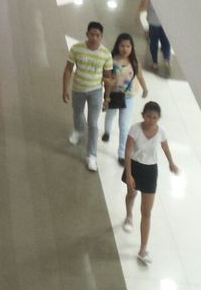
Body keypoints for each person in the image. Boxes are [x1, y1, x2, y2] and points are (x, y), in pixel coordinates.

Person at [122, 101, 179, 265]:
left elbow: (165, 148)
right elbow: (128, 151)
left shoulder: (161, 132)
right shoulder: (135, 129)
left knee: (146, 212)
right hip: (134, 166)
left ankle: (143, 249)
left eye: (155, 118)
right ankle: (129, 215)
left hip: (150, 171)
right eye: (148, 117)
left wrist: (171, 163)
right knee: (131, 194)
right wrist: (129, 175)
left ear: (159, 118)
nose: (151, 120)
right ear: (143, 115)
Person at [63, 21, 114, 171]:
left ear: (101, 37)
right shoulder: (76, 49)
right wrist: (64, 88)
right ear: (87, 34)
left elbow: (107, 77)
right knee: (77, 112)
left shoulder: (105, 54)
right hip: (78, 88)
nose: (94, 38)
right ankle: (78, 130)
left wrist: (107, 98)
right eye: (92, 34)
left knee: (93, 124)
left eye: (97, 35)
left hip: (95, 91)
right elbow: (68, 69)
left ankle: (91, 155)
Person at [102, 33, 148, 163]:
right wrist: (106, 97)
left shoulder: (134, 62)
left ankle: (121, 153)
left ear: (132, 47)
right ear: (117, 45)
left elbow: (140, 76)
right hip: (113, 94)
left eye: (128, 46)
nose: (125, 49)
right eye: (122, 45)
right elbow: (106, 78)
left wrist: (145, 88)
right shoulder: (111, 59)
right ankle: (107, 131)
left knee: (124, 125)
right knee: (110, 116)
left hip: (128, 97)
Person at [137, 0, 171, 73]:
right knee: (161, 42)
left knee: (158, 43)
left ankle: (159, 61)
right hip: (157, 24)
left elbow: (143, 7)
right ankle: (162, 60)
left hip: (156, 24)